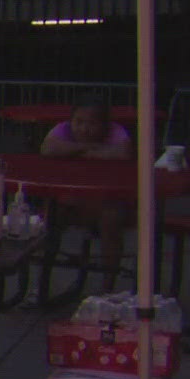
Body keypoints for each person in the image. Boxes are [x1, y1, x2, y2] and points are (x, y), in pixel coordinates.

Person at [39, 98, 134, 288]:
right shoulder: (62, 129)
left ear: (105, 124)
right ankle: (43, 282)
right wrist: (90, 148)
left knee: (112, 218)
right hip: (71, 199)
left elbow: (123, 154)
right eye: (79, 122)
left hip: (108, 200)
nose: (84, 129)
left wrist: (73, 152)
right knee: (50, 216)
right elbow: (48, 149)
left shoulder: (117, 132)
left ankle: (108, 285)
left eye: (92, 123)